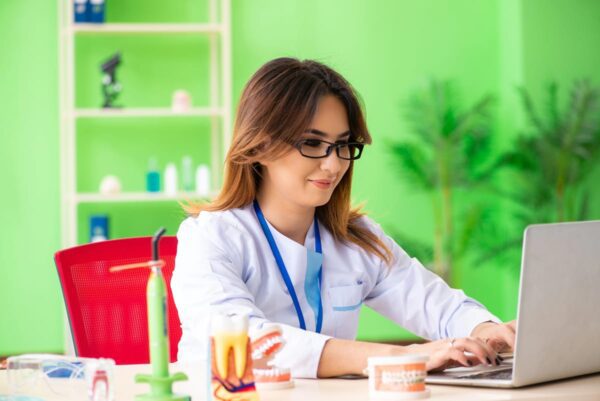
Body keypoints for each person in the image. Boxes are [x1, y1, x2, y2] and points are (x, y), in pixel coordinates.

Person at [171, 57, 516, 379]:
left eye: (342, 145)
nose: (333, 164)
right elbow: (244, 342)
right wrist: (397, 357)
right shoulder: (210, 237)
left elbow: (433, 303)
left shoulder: (356, 237)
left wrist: (483, 330)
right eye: (312, 142)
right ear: (260, 146)